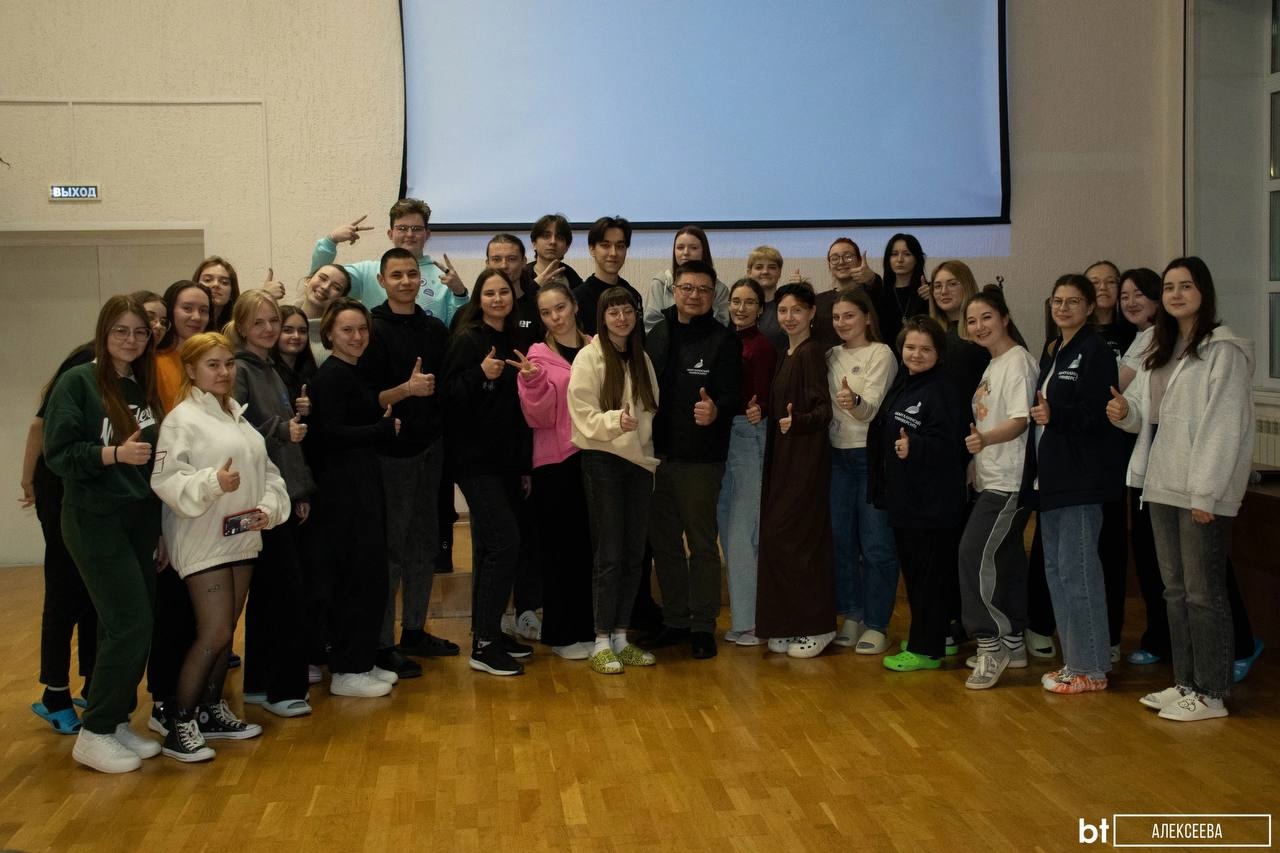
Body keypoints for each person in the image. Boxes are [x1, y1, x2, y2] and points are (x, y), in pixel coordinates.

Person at [1108, 257, 1255, 721]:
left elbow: (1223, 426)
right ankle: (1186, 682)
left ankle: (1212, 692)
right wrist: (1125, 415)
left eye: (1184, 286)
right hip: (1161, 482)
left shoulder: (1223, 350)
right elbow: (1148, 416)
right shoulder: (1161, 347)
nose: (1175, 294)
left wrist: (1205, 493)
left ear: (1203, 292)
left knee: (1203, 593)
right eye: (1169, 287)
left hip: (1198, 489)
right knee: (1174, 591)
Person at [151, 332, 290, 761]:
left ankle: (211, 710)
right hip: (202, 537)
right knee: (213, 633)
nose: (224, 372)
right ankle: (179, 722)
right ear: (191, 369)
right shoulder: (181, 420)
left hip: (242, 537)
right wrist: (214, 482)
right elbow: (166, 481)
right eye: (213, 365)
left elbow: (269, 473)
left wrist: (268, 508)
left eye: (228, 364)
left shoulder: (236, 417)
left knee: (226, 630)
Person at [42, 295, 164, 773]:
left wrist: (160, 530)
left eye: (140, 332)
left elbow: (152, 463)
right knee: (129, 621)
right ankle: (93, 733)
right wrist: (112, 455)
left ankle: (113, 720)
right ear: (103, 333)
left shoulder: (141, 386)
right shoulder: (78, 382)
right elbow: (59, 454)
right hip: (94, 518)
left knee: (135, 623)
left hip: (139, 519)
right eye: (121, 331)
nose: (131, 340)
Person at [1021, 274, 1124, 694]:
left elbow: (1100, 414)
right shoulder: (1055, 351)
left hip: (1082, 481)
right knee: (1057, 573)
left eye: (1073, 301)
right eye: (1057, 301)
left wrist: (1056, 416)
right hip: (1052, 480)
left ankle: (1092, 668)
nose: (1063, 308)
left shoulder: (1094, 351)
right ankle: (1074, 662)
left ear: (1089, 307)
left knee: (1079, 573)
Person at [359, 248, 458, 676]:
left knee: (424, 544)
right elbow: (366, 399)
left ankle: (414, 631)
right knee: (392, 550)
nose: (405, 281)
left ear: (421, 279)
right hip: (390, 456)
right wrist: (407, 390)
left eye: (411, 274)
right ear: (382, 280)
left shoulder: (434, 328)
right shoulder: (370, 330)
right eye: (396, 275)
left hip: (430, 450)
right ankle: (382, 644)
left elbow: (447, 386)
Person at [641, 260, 741, 660]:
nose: (694, 295)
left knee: (701, 545)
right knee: (664, 544)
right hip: (655, 457)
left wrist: (717, 410)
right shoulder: (657, 332)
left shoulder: (723, 340)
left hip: (700, 461)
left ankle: (702, 625)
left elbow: (734, 394)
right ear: (674, 290)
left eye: (703, 289)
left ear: (713, 294)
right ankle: (676, 620)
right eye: (686, 287)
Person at [304, 298, 402, 698]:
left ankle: (361, 659)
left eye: (362, 329)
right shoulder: (330, 377)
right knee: (354, 579)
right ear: (329, 333)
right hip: (341, 493)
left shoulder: (354, 372)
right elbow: (327, 435)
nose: (357, 336)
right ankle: (347, 670)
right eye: (347, 330)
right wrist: (380, 431)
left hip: (361, 484)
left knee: (369, 575)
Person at [228, 292, 316, 717]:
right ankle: (284, 689)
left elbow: (287, 439)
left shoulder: (270, 369)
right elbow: (237, 432)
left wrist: (299, 492)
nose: (268, 329)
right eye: (258, 322)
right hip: (258, 498)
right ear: (242, 326)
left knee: (269, 595)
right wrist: (281, 428)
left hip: (280, 494)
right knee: (284, 595)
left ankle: (260, 684)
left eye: (273, 322)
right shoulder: (239, 370)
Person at [443, 269, 534, 676]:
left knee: (490, 548)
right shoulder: (468, 338)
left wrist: (524, 466)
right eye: (490, 293)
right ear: (479, 298)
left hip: (508, 461)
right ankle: (483, 645)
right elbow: (448, 396)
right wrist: (480, 374)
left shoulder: (516, 339)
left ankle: (489, 631)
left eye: (504, 292)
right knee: (504, 543)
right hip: (475, 461)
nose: (498, 299)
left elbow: (518, 409)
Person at [567, 286, 661, 674]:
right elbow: (582, 412)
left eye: (627, 311)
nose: (621, 318)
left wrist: (634, 434)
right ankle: (601, 640)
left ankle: (622, 636)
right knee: (609, 553)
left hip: (638, 463)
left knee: (634, 553)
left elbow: (650, 407)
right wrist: (614, 423)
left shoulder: (641, 358)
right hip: (603, 460)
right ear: (602, 318)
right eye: (613, 312)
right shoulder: (588, 357)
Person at [870, 317, 969, 672]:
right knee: (919, 575)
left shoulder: (943, 390)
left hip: (932, 503)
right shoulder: (906, 382)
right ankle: (935, 636)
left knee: (928, 578)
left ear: (939, 352)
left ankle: (926, 650)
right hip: (907, 499)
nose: (916, 354)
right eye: (910, 347)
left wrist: (917, 446)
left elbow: (953, 444)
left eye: (925, 349)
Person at [957, 288, 1038, 689]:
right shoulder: (993, 365)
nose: (979, 326)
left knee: (972, 553)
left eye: (986, 317)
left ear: (1005, 318)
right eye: (972, 321)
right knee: (1005, 559)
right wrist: (976, 461)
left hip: (1010, 481)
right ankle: (1013, 642)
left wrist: (985, 442)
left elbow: (1021, 420)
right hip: (992, 476)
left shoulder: (1018, 361)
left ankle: (991, 644)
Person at [511, 281, 596, 659]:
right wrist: (532, 382)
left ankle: (589, 628)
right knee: (559, 550)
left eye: (560, 307)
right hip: (555, 463)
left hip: (595, 458)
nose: (555, 317)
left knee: (588, 548)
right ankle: (561, 635)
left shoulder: (596, 348)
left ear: (574, 305)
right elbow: (538, 417)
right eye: (546, 312)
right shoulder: (537, 357)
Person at [756, 282, 836, 658]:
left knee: (799, 542)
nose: (789, 317)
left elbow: (823, 410)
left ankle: (817, 626)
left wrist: (798, 422)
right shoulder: (785, 353)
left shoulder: (811, 353)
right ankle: (788, 624)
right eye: (783, 311)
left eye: (797, 310)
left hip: (806, 462)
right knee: (778, 539)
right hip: (784, 462)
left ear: (812, 313)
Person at [146, 279, 212, 737]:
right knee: (170, 609)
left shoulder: (209, 362)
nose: (196, 316)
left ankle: (196, 701)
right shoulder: (156, 363)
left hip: (205, 498)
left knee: (197, 615)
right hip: (168, 497)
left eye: (203, 310)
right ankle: (163, 701)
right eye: (187, 308)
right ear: (171, 312)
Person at [23, 342, 97, 735]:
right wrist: (27, 479)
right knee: (64, 590)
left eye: (156, 322)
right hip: (60, 487)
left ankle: (92, 683)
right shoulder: (86, 360)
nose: (150, 330)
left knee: (93, 592)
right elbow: (39, 425)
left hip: (95, 491)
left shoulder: (134, 371)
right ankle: (55, 692)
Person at [826, 289, 898, 654]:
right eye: (836, 317)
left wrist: (852, 402)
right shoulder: (830, 355)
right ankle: (852, 614)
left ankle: (877, 623)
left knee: (876, 544)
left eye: (849, 315)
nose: (842, 323)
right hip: (836, 457)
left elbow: (869, 410)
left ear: (867, 317)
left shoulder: (881, 353)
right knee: (841, 540)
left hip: (870, 458)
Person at [716, 278, 777, 647]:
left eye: (749, 302)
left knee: (743, 534)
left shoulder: (762, 347)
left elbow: (767, 395)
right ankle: (742, 620)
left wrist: (762, 409)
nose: (741, 308)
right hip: (724, 437)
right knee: (729, 532)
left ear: (760, 308)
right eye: (736, 301)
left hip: (748, 436)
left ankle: (753, 622)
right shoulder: (725, 340)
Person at [1084, 259, 1136, 661]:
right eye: (1094, 282)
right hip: (1086, 453)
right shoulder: (1073, 335)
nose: (1103, 288)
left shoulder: (1134, 334)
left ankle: (1113, 636)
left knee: (1115, 545)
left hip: (1126, 451)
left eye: (1110, 282)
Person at [312, 199, 469, 324]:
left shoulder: (444, 277)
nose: (409, 234)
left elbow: (458, 327)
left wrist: (460, 294)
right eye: (402, 228)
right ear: (390, 234)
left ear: (427, 234)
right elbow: (318, 277)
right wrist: (331, 240)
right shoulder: (367, 272)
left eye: (416, 229)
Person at [644, 226, 730, 330]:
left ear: (704, 251)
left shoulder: (719, 289)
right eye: (680, 247)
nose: (685, 253)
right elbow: (651, 324)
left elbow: (723, 325)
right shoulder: (661, 283)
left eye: (693, 248)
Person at [573, 216, 643, 336]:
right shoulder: (578, 298)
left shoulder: (633, 295)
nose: (613, 253)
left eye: (620, 246)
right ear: (592, 249)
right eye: (605, 245)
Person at [809, 238, 879, 350]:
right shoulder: (818, 300)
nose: (841, 262)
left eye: (848, 257)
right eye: (835, 258)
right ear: (829, 265)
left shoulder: (871, 295)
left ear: (859, 261)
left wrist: (872, 279)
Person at [872, 233, 930, 351]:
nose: (899, 259)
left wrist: (933, 299)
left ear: (917, 259)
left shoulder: (927, 291)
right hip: (887, 356)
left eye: (907, 254)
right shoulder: (881, 294)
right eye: (894, 254)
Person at [293, 263, 352, 367]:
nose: (325, 287)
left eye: (336, 287)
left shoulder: (336, 342)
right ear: (307, 280)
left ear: (340, 299)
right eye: (322, 278)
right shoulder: (279, 319)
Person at [272, 305, 318, 405]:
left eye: (302, 331)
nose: (296, 336)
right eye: (287, 330)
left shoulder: (311, 372)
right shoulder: (266, 373)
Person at [527, 213, 585, 290]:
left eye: (560, 238)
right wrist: (535, 285)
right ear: (534, 243)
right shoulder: (520, 277)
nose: (553, 242)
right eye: (546, 236)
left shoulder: (575, 281)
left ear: (567, 247)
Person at [746, 246, 785, 346]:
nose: (765, 272)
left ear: (780, 272)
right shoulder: (739, 307)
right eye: (759, 267)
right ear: (749, 272)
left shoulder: (786, 307)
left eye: (772, 267)